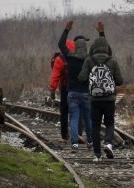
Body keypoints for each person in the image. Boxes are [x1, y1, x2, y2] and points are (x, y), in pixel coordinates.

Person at [79, 22, 123, 161]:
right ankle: (109, 144)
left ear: (93, 48)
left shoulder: (88, 60)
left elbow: (82, 78)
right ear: (107, 48)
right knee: (109, 123)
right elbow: (120, 81)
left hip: (94, 99)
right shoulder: (112, 61)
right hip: (109, 99)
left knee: (95, 127)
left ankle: (97, 155)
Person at [58, 20, 92, 150]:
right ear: (85, 46)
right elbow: (106, 52)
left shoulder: (70, 57)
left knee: (73, 118)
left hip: (72, 93)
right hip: (86, 93)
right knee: (88, 118)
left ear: (76, 46)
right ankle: (90, 142)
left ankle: (74, 143)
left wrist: (66, 30)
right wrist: (101, 34)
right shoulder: (89, 59)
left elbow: (61, 44)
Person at [48, 39, 75, 140]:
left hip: (64, 88)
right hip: (76, 88)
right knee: (76, 110)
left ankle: (64, 134)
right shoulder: (77, 56)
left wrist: (52, 91)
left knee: (64, 111)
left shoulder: (59, 59)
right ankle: (78, 133)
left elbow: (55, 76)